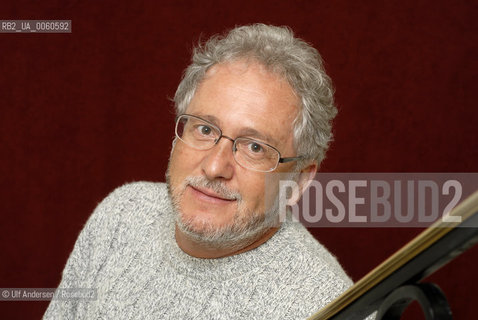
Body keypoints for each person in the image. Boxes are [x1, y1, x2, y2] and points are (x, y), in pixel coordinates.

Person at [44, 23, 353, 319]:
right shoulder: (121, 215)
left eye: (255, 148)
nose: (215, 166)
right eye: (205, 129)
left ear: (299, 180)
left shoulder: (327, 306)